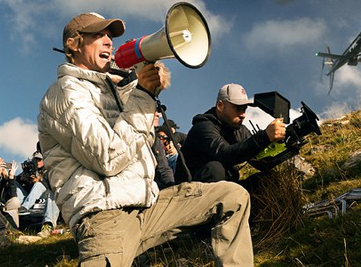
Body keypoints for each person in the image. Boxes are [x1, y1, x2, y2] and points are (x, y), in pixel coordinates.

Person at [38, 12, 253, 266]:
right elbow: (107, 157)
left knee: (232, 197)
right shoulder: (64, 92)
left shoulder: (115, 89)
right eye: (98, 35)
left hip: (146, 206)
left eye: (110, 36)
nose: (109, 41)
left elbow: (139, 142)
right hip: (105, 217)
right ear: (73, 45)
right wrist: (142, 95)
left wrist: (140, 88)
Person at [174, 83, 286, 192]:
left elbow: (259, 160)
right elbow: (225, 154)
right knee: (215, 168)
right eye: (238, 108)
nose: (243, 114)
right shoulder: (203, 127)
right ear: (220, 106)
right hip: (191, 191)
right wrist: (265, 136)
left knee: (267, 179)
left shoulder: (240, 130)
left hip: (226, 187)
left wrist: (285, 145)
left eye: (244, 109)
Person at [16, 151, 60, 238]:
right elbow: (18, 180)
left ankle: (25, 207)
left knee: (38, 185)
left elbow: (53, 187)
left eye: (39, 160)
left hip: (46, 198)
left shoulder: (49, 169)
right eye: (35, 160)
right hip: (30, 199)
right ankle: (21, 209)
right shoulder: (31, 169)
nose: (37, 162)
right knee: (15, 184)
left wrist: (40, 180)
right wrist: (27, 177)